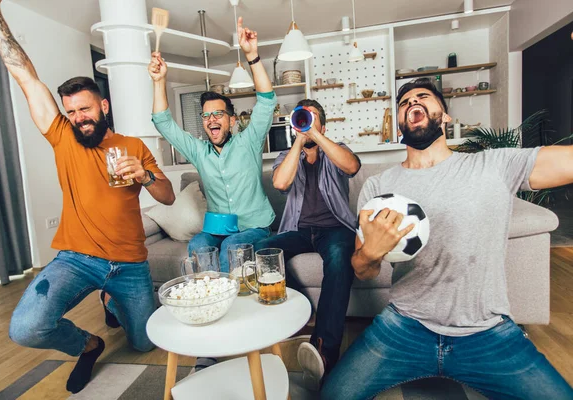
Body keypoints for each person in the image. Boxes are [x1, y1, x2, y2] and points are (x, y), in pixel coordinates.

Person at [321, 78, 573, 400]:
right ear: (400, 122)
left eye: (423, 96)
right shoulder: (378, 188)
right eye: (404, 102)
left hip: (488, 332)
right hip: (403, 328)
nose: (412, 102)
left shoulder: (494, 165)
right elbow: (362, 270)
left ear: (446, 116)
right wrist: (370, 253)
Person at [0, 0, 175, 394]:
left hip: (130, 264)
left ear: (102, 106)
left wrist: (146, 174)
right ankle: (90, 344)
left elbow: (167, 197)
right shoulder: (63, 136)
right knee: (26, 328)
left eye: (85, 109)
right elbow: (26, 78)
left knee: (144, 343)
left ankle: (111, 301)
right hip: (76, 259)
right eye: (72, 112)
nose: (79, 117)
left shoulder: (133, 145)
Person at [148, 16, 276, 274]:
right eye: (206, 116)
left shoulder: (248, 141)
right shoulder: (199, 152)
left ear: (230, 120)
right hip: (216, 229)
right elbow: (163, 123)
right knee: (198, 243)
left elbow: (267, 101)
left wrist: (252, 56)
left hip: (255, 227)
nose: (211, 120)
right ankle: (210, 296)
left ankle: (233, 305)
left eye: (218, 114)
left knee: (232, 245)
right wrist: (159, 81)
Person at [254, 99, 360, 390]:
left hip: (335, 229)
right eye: (302, 119)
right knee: (263, 250)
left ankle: (324, 349)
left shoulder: (335, 150)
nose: (307, 124)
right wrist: (299, 143)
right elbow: (280, 184)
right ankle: (297, 315)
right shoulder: (288, 155)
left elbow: (351, 166)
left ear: (323, 125)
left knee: (340, 258)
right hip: (300, 231)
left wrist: (317, 137)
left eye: (313, 119)